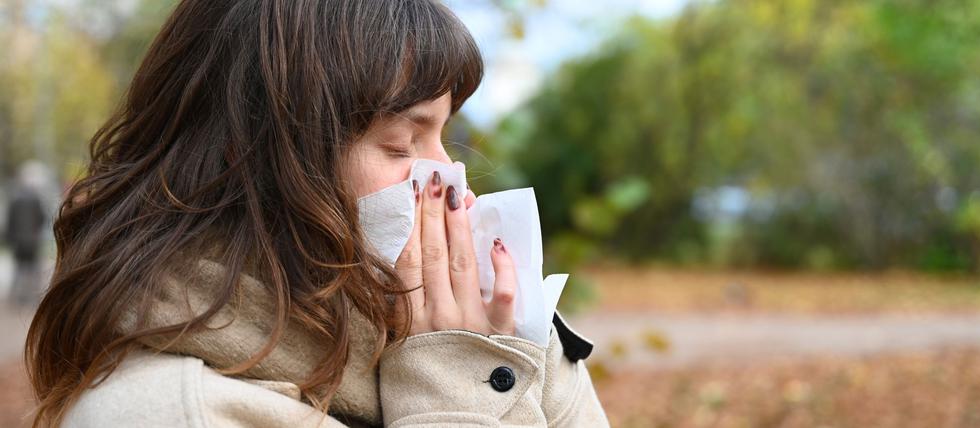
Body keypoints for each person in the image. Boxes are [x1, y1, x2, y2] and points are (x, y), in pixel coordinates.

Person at [24, 1, 609, 427]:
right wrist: (455, 389)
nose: (451, 183)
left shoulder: (493, 330)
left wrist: (513, 353)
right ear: (254, 155)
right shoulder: (161, 413)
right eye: (402, 143)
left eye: (443, 139)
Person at [4, 161, 49, 307]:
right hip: (33, 241)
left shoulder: (14, 198)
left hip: (18, 241)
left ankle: (16, 298)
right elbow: (43, 218)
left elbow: (10, 221)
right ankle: (32, 298)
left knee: (18, 269)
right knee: (33, 270)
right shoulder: (36, 199)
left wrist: (10, 238)